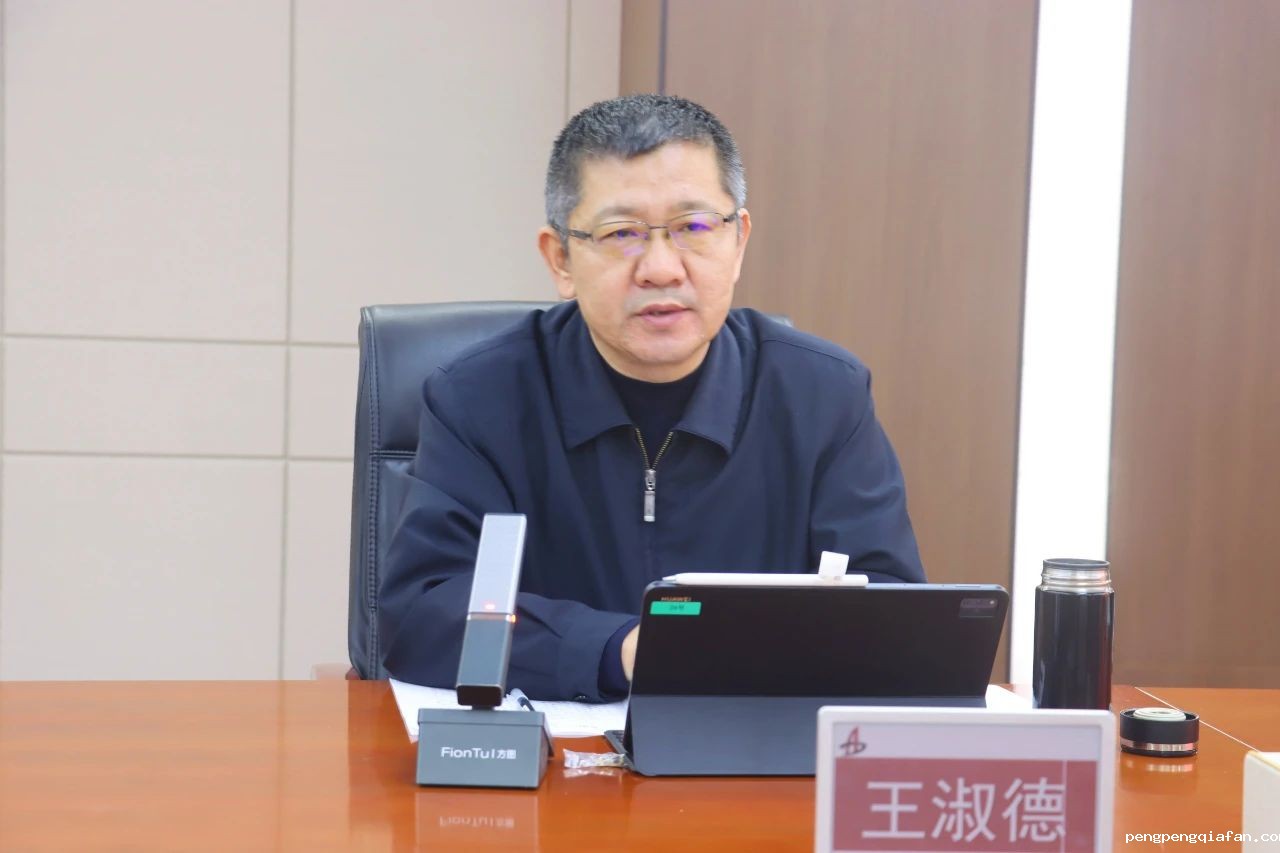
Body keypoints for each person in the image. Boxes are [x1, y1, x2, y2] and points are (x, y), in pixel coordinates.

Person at [379, 94, 925, 701]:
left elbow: (893, 614)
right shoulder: (481, 398)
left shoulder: (824, 396)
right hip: (555, 747)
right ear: (561, 260)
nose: (662, 269)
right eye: (622, 234)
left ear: (738, 242)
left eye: (694, 228)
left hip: (756, 745)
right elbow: (423, 612)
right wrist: (622, 650)